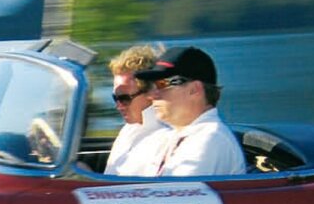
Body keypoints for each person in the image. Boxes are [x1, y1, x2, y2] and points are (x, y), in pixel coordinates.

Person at [120, 46, 245, 176]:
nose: (152, 95)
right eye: (152, 85)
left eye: (162, 84)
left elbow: (174, 194)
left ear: (194, 89)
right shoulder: (175, 137)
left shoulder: (210, 139)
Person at [103, 44, 169, 174]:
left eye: (124, 98)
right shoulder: (128, 131)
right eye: (115, 97)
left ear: (151, 93)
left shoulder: (167, 139)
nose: (118, 105)